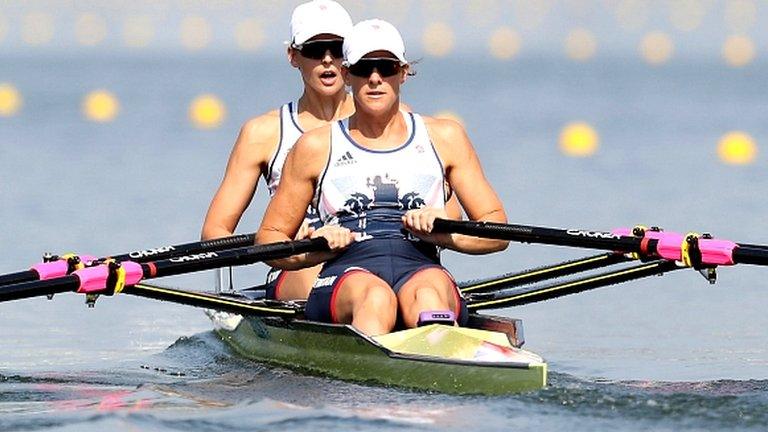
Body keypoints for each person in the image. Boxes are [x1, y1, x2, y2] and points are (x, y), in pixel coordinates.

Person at [256, 19, 508, 336]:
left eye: (385, 67)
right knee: (375, 299)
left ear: (403, 72)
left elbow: (497, 230)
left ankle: (434, 360)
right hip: (346, 272)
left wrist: (442, 231)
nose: (375, 78)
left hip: (420, 265)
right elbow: (270, 238)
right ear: (347, 75)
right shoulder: (315, 146)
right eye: (363, 68)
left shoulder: (445, 136)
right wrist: (318, 249)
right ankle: (370, 378)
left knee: (427, 297)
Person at [200, 0, 354, 301]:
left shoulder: (392, 122)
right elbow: (216, 231)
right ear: (293, 56)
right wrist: (282, 239)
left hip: (375, 257)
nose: (327, 60)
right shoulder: (263, 133)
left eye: (337, 49)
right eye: (314, 49)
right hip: (300, 265)